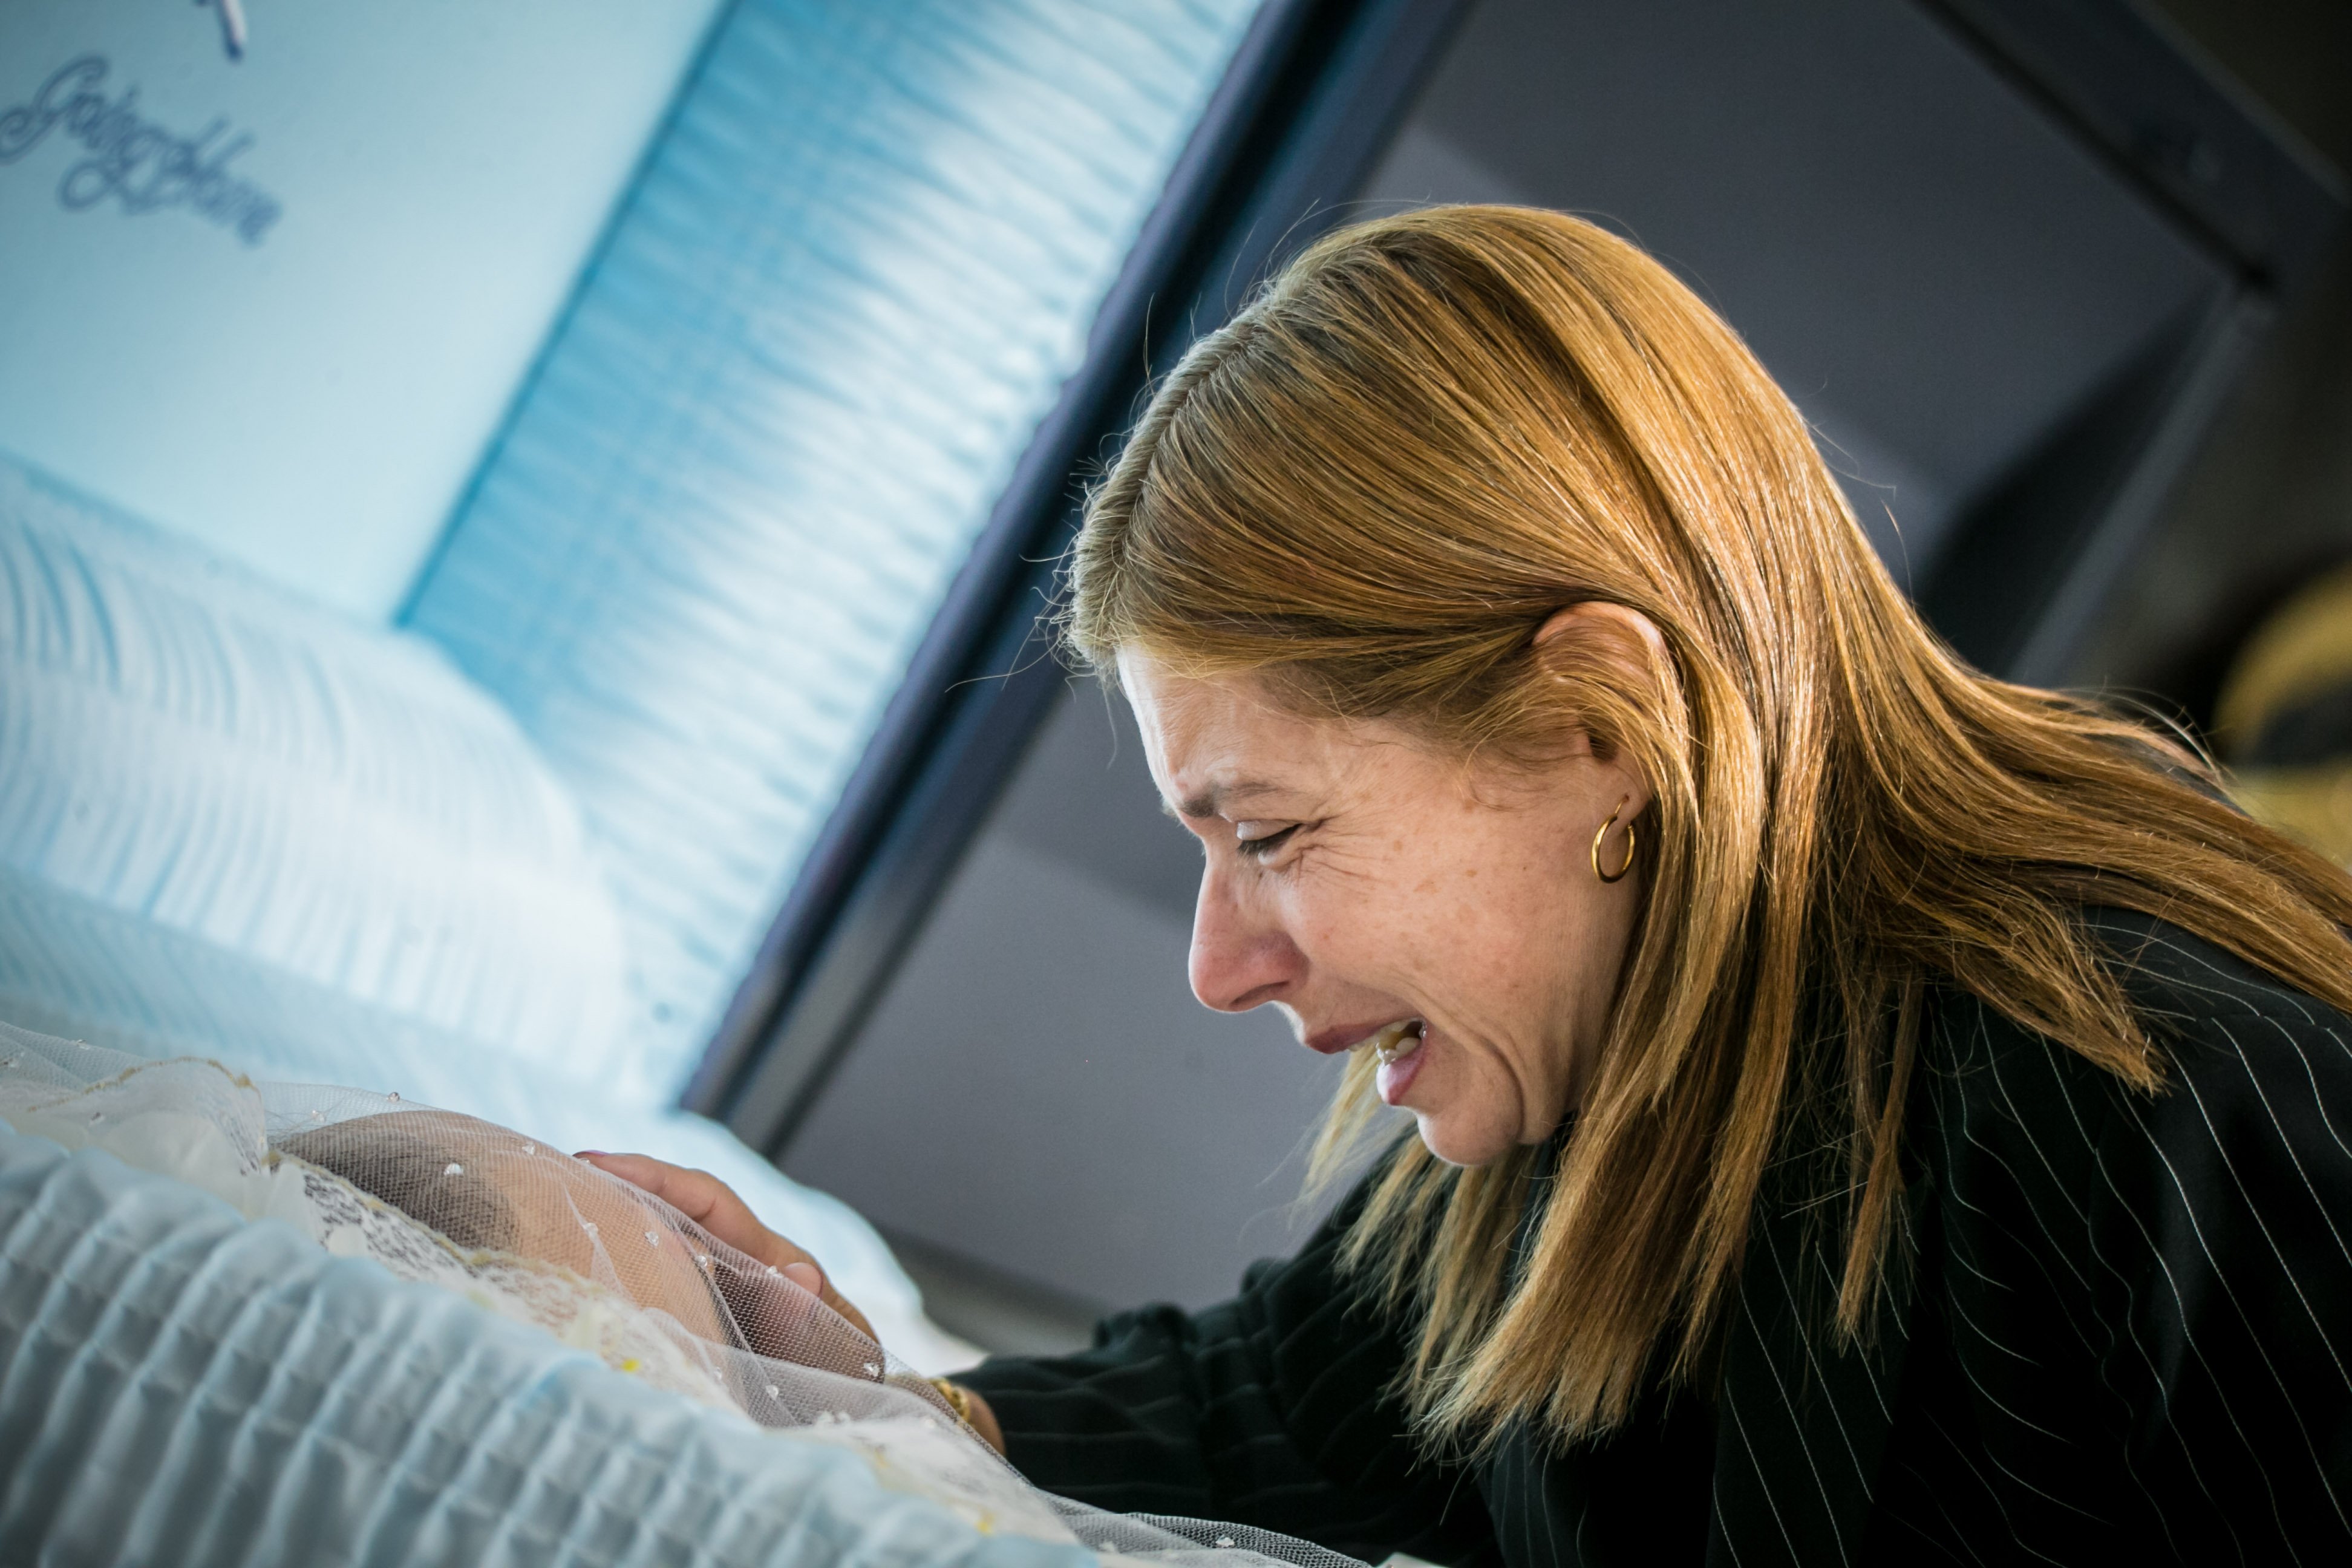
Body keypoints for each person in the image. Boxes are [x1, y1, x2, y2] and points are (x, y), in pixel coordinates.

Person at [594, 206, 2352, 1566]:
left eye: (1272, 834)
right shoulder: (1594, 1094)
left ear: (1602, 719)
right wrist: (869, 1395)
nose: (1215, 967)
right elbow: (1286, 1406)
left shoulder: (2162, 1099)